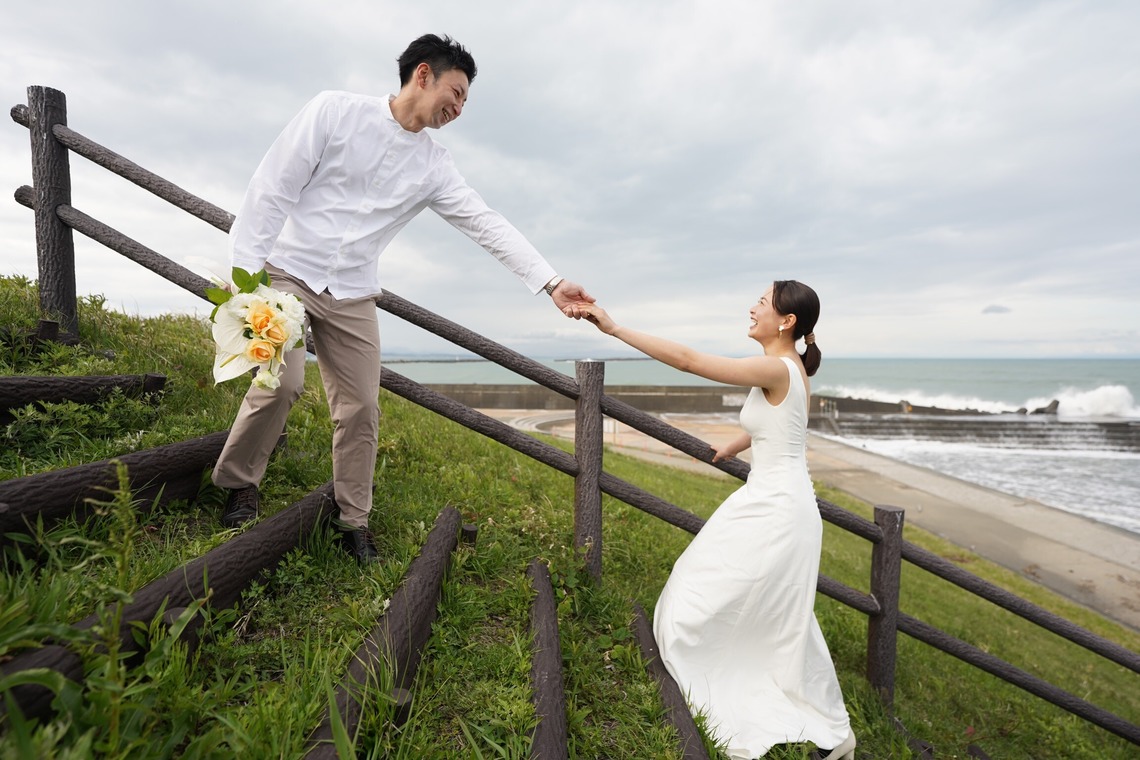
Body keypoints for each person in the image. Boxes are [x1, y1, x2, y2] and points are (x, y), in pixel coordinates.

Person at [211, 34, 593, 562]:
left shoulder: (435, 166)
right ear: (422, 75)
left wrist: (551, 282)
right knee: (283, 382)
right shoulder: (333, 111)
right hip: (286, 273)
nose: (459, 108)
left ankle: (353, 520)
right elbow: (273, 186)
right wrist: (246, 278)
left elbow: (486, 223)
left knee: (363, 406)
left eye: (464, 102)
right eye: (455, 93)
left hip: (352, 291)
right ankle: (238, 483)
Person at [571, 281, 855, 760]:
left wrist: (615, 328)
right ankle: (802, 708)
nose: (752, 307)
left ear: (786, 322)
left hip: (777, 509)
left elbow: (688, 360)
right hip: (776, 500)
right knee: (770, 611)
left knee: (705, 595)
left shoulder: (774, 366)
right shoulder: (793, 370)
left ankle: (758, 697)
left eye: (762, 303)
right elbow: (784, 426)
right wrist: (736, 444)